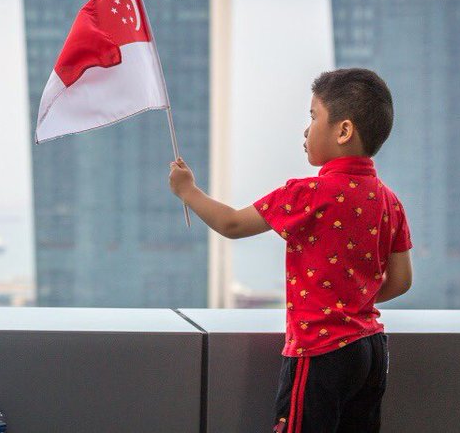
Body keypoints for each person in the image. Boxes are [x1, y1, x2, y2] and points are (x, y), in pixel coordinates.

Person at [169, 68, 413, 432]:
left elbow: (233, 224)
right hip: (371, 351)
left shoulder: (308, 194)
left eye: (314, 116)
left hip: (320, 353)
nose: (306, 129)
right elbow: (402, 281)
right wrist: (351, 296)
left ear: (343, 131)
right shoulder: (389, 200)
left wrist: (188, 191)